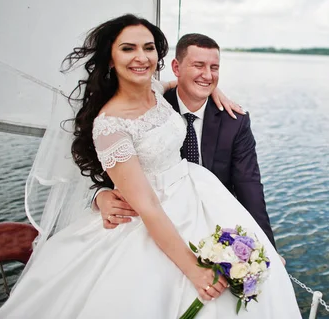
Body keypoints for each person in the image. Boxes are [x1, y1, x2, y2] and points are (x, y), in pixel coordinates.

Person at [0, 14, 301, 318]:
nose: (142, 57)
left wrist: (212, 84)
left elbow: (180, 85)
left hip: (198, 193)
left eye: (148, 48)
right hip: (152, 213)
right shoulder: (110, 125)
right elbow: (146, 205)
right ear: (110, 58)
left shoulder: (155, 90)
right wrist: (193, 269)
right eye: (128, 48)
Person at [95, 33, 277, 248]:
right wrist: (100, 195)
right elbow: (104, 163)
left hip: (215, 220)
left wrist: (267, 246)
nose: (208, 75)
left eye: (214, 68)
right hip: (152, 221)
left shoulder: (235, 121)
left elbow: (249, 185)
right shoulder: (149, 109)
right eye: (198, 65)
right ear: (176, 67)